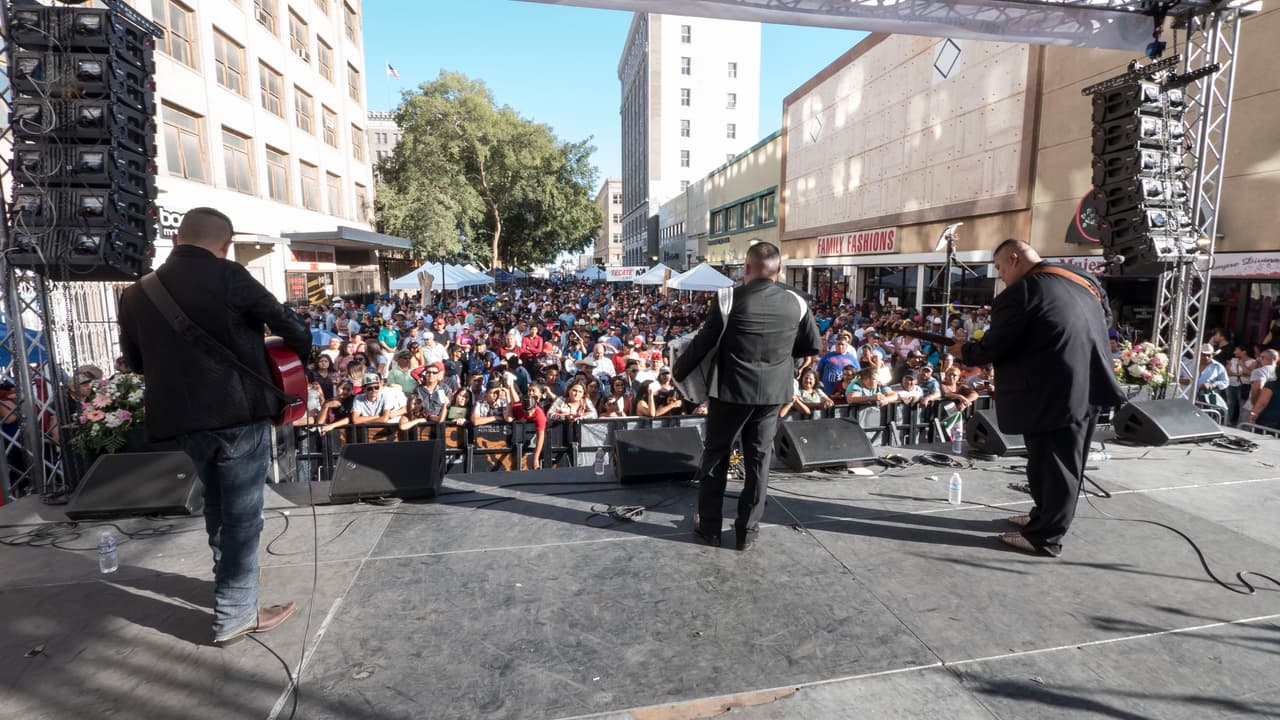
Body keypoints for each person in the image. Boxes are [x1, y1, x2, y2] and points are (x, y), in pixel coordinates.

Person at [117, 206, 310, 645]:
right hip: (237, 413)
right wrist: (295, 361)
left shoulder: (136, 293)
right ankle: (235, 614)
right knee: (242, 516)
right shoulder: (230, 276)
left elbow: (136, 363)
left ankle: (231, 593)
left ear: (176, 240)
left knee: (219, 507)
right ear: (224, 245)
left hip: (183, 420)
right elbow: (292, 326)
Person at [952, 238, 1124, 557]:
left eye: (1001, 268)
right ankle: (1041, 518)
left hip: (1053, 392)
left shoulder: (1021, 293)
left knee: (1057, 465)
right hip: (1089, 384)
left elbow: (997, 345)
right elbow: (1105, 321)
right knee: (1048, 461)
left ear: (1015, 259)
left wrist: (966, 352)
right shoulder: (1080, 277)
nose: (1000, 276)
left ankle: (1045, 537)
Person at [673, 241, 822, 551]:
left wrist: (678, 373)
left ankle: (710, 529)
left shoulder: (727, 298)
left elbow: (702, 343)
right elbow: (812, 346)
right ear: (779, 271)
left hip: (729, 391)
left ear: (746, 269)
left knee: (716, 455)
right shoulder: (797, 303)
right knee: (758, 460)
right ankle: (747, 533)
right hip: (772, 395)